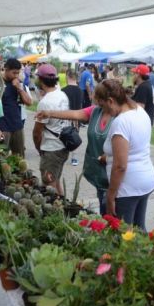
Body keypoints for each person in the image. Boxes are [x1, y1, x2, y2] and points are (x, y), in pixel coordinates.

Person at [36, 80, 116, 214]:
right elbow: (74, 114)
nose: (94, 100)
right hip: (98, 173)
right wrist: (49, 113)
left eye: (98, 99)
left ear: (108, 100)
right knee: (103, 207)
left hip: (113, 174)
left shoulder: (120, 116)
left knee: (112, 213)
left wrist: (109, 158)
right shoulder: (96, 111)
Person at [96, 79, 154, 230]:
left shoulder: (120, 122)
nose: (104, 111)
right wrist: (108, 157)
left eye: (103, 106)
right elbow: (134, 148)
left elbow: (120, 166)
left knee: (122, 234)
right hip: (145, 179)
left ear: (110, 101)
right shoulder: (139, 110)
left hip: (128, 187)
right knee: (139, 229)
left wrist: (111, 196)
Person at [33, 64, 70, 195]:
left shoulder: (44, 103)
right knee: (56, 180)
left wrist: (39, 149)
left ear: (41, 80)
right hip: (63, 146)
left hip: (51, 148)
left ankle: (58, 212)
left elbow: (37, 133)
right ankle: (65, 209)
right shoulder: (62, 95)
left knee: (49, 186)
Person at [0, 58, 33, 157]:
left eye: (18, 72)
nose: (16, 75)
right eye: (14, 73)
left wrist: (19, 88)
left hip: (18, 126)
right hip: (2, 128)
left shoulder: (19, 83)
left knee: (19, 157)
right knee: (0, 156)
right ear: (6, 69)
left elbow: (29, 102)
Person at [61, 70, 83, 166]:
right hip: (77, 117)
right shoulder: (80, 91)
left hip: (66, 116)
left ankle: (62, 155)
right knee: (75, 136)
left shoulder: (63, 90)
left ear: (67, 76)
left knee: (63, 135)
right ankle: (74, 158)